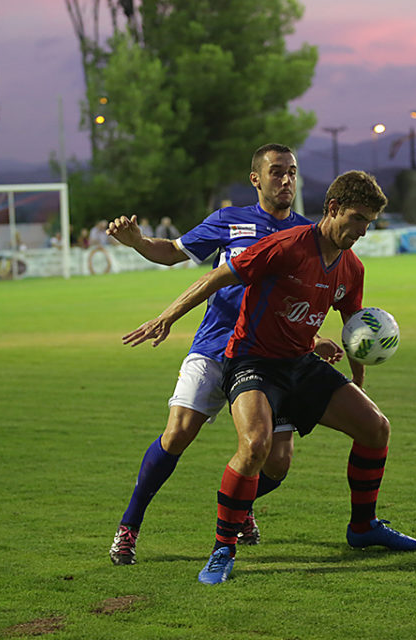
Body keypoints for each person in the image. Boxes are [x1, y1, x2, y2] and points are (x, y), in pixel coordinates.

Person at [124, 170, 416, 585]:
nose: (362, 231)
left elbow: (354, 327)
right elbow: (216, 276)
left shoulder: (351, 268)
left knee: (375, 428)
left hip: (299, 362)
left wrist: (357, 379)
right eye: (356, 219)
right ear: (332, 209)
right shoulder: (285, 246)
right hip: (251, 361)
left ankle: (363, 527)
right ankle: (222, 550)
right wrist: (166, 317)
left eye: (368, 223)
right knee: (255, 445)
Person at [104, 143, 336, 566]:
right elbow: (173, 252)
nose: (286, 180)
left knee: (277, 461)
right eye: (276, 172)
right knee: (177, 434)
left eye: (292, 172)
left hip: (271, 356)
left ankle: (237, 505)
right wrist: (137, 242)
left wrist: (313, 340)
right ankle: (129, 527)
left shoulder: (308, 235)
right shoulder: (230, 221)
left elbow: (305, 300)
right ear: (256, 179)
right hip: (216, 345)